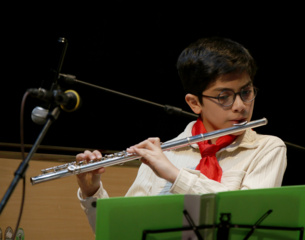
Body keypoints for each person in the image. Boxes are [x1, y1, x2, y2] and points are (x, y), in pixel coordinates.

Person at [75, 36, 287, 233]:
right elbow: (123, 232)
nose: (240, 106)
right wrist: (92, 193)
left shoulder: (268, 148)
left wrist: (175, 176)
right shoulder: (164, 153)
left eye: (246, 92)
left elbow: (247, 216)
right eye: (224, 97)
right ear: (194, 103)